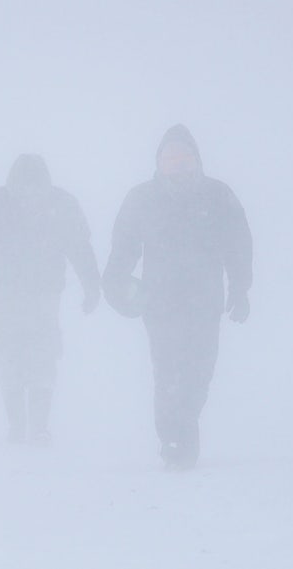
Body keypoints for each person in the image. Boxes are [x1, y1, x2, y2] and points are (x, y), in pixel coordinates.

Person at [102, 125, 252, 470]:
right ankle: (173, 439)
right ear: (159, 163)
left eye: (184, 158)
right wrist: (114, 283)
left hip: (205, 302)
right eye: (170, 159)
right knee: (168, 372)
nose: (177, 165)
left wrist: (241, 288)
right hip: (159, 303)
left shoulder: (218, 196)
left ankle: (185, 424)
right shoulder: (141, 198)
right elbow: (123, 248)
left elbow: (239, 245)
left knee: (199, 372)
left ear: (196, 161)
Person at [0, 154, 101, 445]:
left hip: (43, 293)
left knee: (41, 354)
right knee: (12, 354)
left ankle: (37, 427)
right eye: (23, 185)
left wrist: (92, 286)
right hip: (5, 294)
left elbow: (80, 249)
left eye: (34, 185)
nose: (28, 192)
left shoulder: (56, 204)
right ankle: (18, 426)